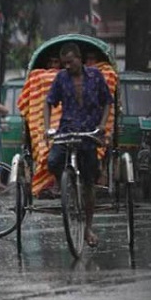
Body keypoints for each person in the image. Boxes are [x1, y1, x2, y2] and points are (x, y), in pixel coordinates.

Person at [43, 42, 113, 248]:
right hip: (67, 130)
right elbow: (49, 102)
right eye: (63, 63)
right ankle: (66, 187)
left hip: (89, 132)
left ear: (79, 59)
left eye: (70, 62)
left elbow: (108, 101)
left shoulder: (95, 76)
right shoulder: (61, 78)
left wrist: (102, 125)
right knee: (53, 160)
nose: (66, 66)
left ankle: (88, 227)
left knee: (90, 182)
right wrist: (47, 128)